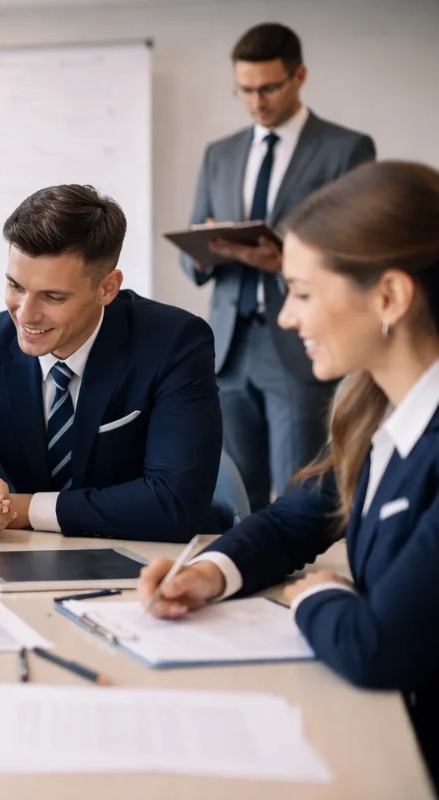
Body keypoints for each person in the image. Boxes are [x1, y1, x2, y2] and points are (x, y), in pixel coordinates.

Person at [145, 161, 439, 780]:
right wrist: (207, 573)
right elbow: (290, 521)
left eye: (303, 294)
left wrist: (319, 594)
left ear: (389, 297)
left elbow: (378, 647)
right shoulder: (379, 409)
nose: (285, 317)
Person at [0, 184, 221, 542]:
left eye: (53, 296)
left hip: (148, 559)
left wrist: (28, 509)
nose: (25, 314)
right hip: (23, 559)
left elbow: (173, 502)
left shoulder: (175, 343)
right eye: (16, 286)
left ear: (107, 288)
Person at [182, 22, 376, 512]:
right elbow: (190, 256)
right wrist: (204, 249)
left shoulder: (345, 149)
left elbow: (358, 250)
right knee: (234, 494)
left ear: (299, 76)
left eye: (268, 88)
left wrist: (285, 260)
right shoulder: (220, 154)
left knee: (299, 489)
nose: (257, 102)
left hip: (297, 340)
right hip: (227, 345)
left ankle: (296, 587)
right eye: (245, 90)